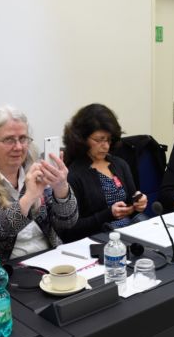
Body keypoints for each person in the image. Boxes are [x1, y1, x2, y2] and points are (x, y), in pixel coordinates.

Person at [0, 106, 78, 262]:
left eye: (23, 138)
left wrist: (61, 189)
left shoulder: (36, 167)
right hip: (9, 266)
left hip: (50, 257)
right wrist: (28, 199)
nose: (19, 147)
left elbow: (67, 223)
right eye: (9, 140)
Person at [60, 103, 148, 242]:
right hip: (99, 239)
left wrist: (139, 203)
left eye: (109, 139)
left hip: (130, 232)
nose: (106, 146)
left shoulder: (119, 164)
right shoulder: (73, 174)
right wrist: (108, 214)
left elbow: (132, 202)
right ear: (82, 139)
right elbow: (71, 230)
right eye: (99, 140)